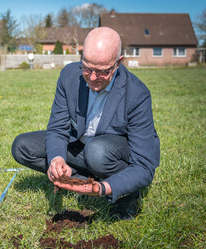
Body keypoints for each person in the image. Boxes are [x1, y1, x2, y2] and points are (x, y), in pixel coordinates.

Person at [11, 27, 160, 220]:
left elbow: (144, 166)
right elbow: (57, 127)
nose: (92, 77)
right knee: (22, 147)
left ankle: (121, 189)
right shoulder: (69, 76)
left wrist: (103, 189)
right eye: (87, 68)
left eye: (102, 71)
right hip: (81, 147)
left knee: (97, 152)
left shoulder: (137, 94)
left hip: (112, 154)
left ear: (118, 63)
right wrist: (57, 158)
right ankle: (81, 183)